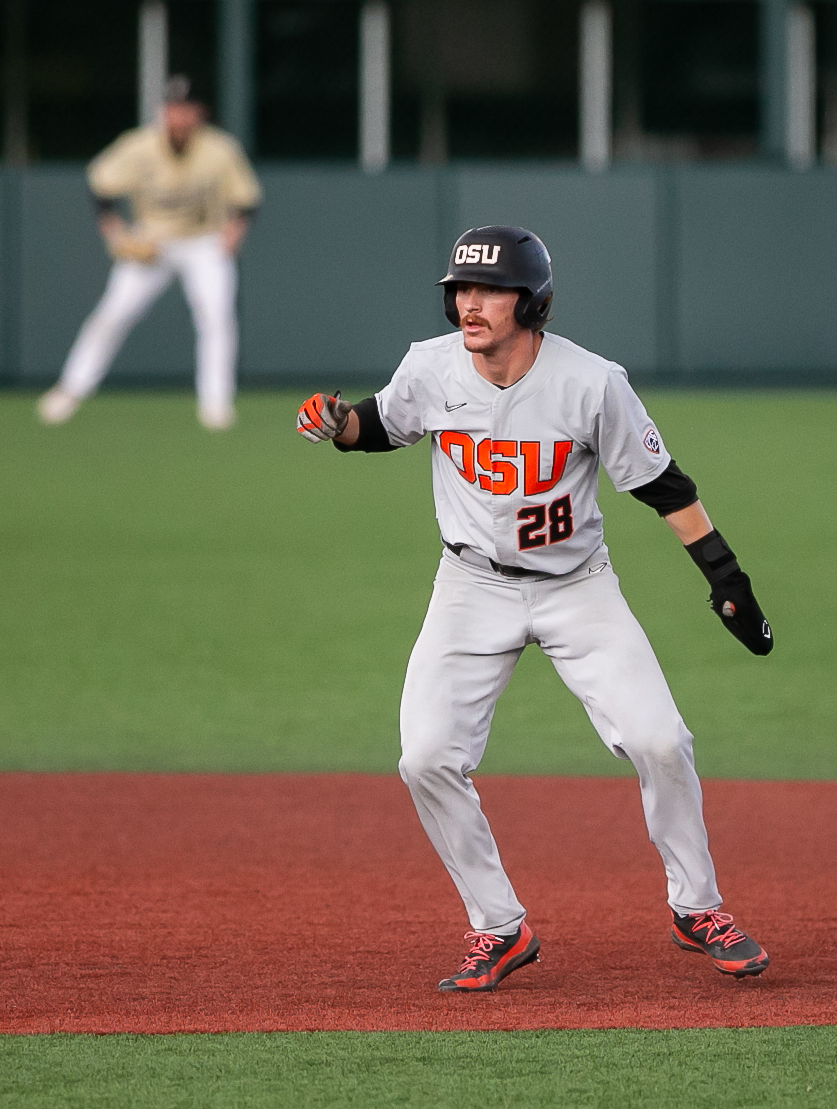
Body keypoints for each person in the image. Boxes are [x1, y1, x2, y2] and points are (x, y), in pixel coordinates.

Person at [295, 226, 775, 992]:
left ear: (532, 300)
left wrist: (724, 573)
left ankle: (698, 907)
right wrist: (335, 422)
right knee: (424, 758)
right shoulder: (431, 364)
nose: (468, 303)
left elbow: (664, 486)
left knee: (660, 739)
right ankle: (498, 926)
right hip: (468, 588)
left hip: (574, 585)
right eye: (460, 288)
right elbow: (378, 424)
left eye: (488, 290)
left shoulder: (590, 382)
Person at [38, 75, 262, 431]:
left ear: (199, 113)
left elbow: (247, 199)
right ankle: (71, 389)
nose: (179, 115)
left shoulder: (220, 149)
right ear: (164, 111)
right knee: (113, 313)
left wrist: (234, 233)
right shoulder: (139, 145)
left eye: (186, 108)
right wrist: (114, 230)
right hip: (151, 243)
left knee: (217, 317)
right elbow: (100, 184)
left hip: (204, 242)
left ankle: (216, 404)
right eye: (173, 108)